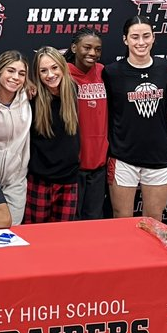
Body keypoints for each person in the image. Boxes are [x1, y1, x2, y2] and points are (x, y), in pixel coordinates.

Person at [103, 15, 167, 221]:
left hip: (158, 156)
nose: (140, 42)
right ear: (125, 40)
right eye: (134, 37)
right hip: (123, 156)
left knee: (153, 219)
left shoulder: (165, 69)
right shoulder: (112, 72)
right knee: (122, 219)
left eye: (146, 36)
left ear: (153, 38)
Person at [24, 46, 80, 223]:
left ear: (63, 67)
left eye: (54, 68)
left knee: (63, 239)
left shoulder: (72, 90)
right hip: (40, 179)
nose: (50, 74)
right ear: (37, 74)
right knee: (36, 237)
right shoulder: (32, 98)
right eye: (43, 70)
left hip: (69, 178)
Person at [65, 28, 108, 220]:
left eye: (97, 49)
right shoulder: (63, 74)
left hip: (98, 164)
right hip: (74, 165)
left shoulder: (103, 72)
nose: (93, 53)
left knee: (94, 221)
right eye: (87, 47)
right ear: (74, 48)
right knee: (71, 223)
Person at [0, 50, 32, 225]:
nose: (15, 77)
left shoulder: (29, 98)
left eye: (21, 73)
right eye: (10, 71)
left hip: (15, 183)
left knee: (10, 234)